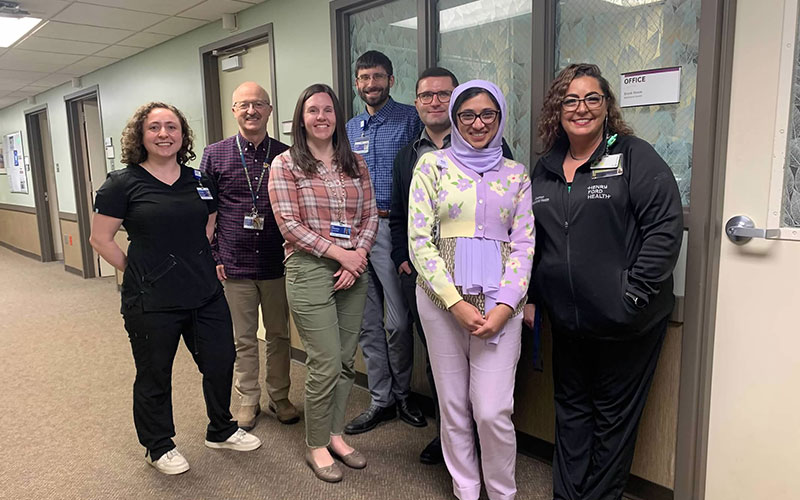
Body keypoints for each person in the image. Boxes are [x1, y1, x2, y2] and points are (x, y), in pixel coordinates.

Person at [525, 63, 683, 500]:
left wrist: (632, 294)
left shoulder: (634, 156)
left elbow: (664, 229)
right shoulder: (545, 167)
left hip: (625, 321)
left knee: (613, 421)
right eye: (570, 100)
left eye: (592, 98)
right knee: (572, 412)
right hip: (568, 321)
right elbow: (532, 240)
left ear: (607, 106)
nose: (582, 108)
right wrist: (535, 296)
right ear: (557, 109)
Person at [89, 102, 261, 476]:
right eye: (154, 127)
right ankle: (159, 445)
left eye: (172, 127)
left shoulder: (199, 180)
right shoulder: (121, 184)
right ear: (141, 135)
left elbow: (209, 223)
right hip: (151, 298)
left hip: (204, 292)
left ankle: (221, 429)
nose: (164, 134)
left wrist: (190, 259)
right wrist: (138, 270)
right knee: (155, 373)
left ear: (183, 135)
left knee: (220, 361)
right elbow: (100, 238)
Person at [409, 80, 534, 500]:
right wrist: (456, 303)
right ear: (455, 119)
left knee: (493, 409)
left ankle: (502, 493)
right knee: (453, 406)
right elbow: (419, 241)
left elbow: (524, 244)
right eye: (467, 115)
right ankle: (466, 488)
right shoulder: (431, 166)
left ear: (499, 118)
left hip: (501, 305)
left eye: (487, 114)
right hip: (441, 303)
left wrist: (505, 306)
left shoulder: (516, 174)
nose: (477, 123)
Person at [390, 67, 516, 465]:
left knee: (489, 391)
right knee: (445, 377)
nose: (435, 102)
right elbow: (403, 219)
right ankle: (453, 451)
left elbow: (515, 228)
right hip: (434, 285)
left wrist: (513, 296)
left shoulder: (501, 155)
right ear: (417, 103)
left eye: (443, 94)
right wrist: (406, 262)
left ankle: (484, 453)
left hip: (493, 291)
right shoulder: (412, 157)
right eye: (426, 96)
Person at [269, 84, 378, 483]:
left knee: (347, 359)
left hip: (354, 268)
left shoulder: (355, 162)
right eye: (312, 110)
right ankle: (315, 443)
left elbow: (370, 215)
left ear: (337, 116)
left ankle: (335, 435)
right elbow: (289, 225)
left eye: (328, 110)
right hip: (310, 267)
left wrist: (357, 256)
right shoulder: (285, 164)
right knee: (326, 360)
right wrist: (340, 254)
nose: (321, 117)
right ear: (301, 118)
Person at [200, 82, 298, 429]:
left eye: (258, 104)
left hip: (276, 262)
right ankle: (248, 399)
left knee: (279, 336)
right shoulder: (214, 155)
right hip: (234, 262)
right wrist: (214, 256)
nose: (251, 111)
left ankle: (280, 396)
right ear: (234, 111)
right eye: (243, 105)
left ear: (269, 110)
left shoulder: (286, 155)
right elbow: (206, 213)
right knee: (242, 338)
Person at [344, 50, 425, 434]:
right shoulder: (350, 128)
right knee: (367, 323)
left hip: (394, 228)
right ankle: (381, 400)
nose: (371, 84)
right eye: (364, 78)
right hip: (357, 231)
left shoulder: (410, 119)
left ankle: (404, 393)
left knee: (397, 322)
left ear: (391, 80)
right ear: (357, 83)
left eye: (377, 77)